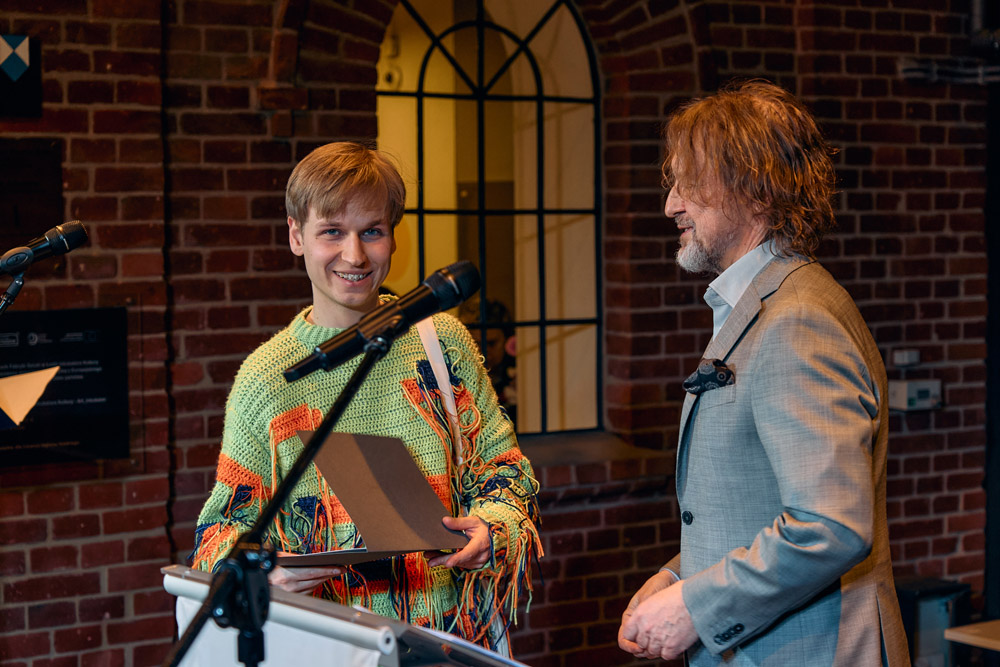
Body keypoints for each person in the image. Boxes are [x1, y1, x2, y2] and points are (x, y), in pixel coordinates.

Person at [190, 142, 542, 651]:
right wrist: (266, 575)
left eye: (372, 231)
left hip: (449, 638)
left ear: (393, 237)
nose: (354, 255)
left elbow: (504, 470)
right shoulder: (267, 379)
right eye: (332, 231)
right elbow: (221, 530)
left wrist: (493, 527)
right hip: (328, 644)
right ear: (296, 236)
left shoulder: (441, 343)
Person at [618, 80, 909, 665]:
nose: (671, 205)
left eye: (689, 183)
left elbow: (828, 525)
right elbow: (756, 504)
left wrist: (695, 607)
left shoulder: (797, 319)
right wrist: (680, 576)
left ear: (757, 192)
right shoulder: (767, 303)